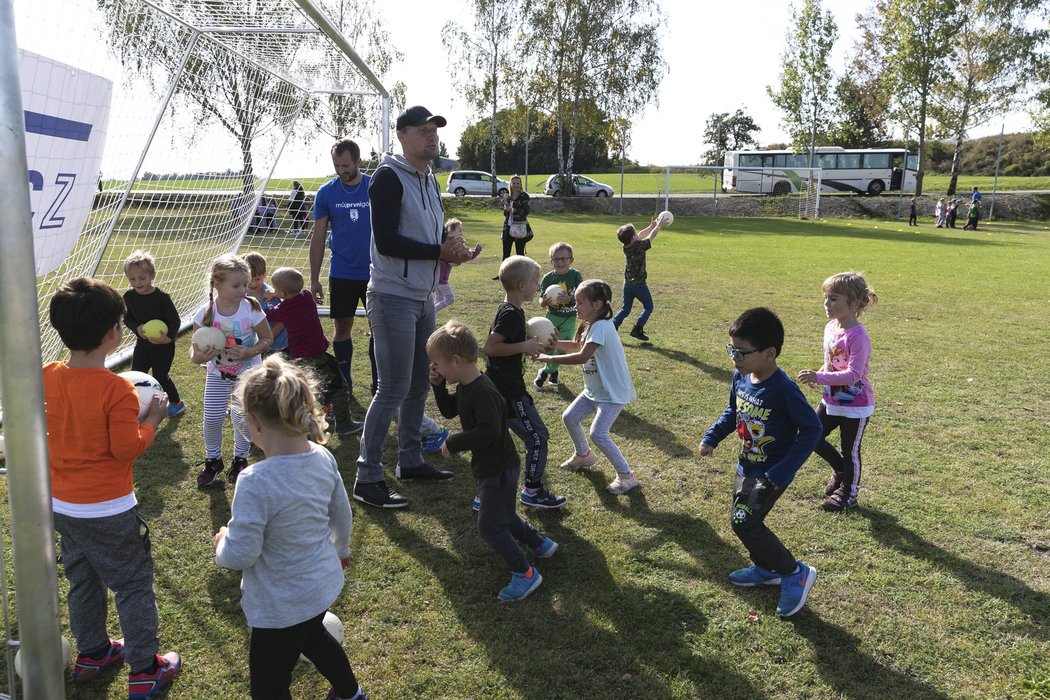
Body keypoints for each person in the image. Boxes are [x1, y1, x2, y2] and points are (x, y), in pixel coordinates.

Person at [43, 277, 182, 698]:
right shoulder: (117, 389)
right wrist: (152, 420)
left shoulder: (48, 375)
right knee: (133, 583)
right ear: (112, 333)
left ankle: (93, 653)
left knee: (83, 579)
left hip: (63, 505)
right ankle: (144, 669)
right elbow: (126, 450)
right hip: (107, 509)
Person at [213, 356, 366, 700]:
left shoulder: (254, 481)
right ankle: (351, 693)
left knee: (268, 688)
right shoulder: (322, 456)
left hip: (278, 607)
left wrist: (222, 542)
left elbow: (241, 552)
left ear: (252, 421)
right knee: (314, 638)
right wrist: (341, 552)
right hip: (320, 586)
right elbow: (341, 513)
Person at [353, 105, 473, 508]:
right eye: (423, 131)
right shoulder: (387, 177)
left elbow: (429, 231)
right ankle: (367, 477)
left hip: (423, 297)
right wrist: (437, 250)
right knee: (392, 389)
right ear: (402, 136)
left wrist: (451, 246)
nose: (431, 137)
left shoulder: (429, 178)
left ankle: (409, 460)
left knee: (421, 382)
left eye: (434, 131)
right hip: (391, 296)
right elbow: (387, 242)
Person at [698, 307, 822, 617]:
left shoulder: (783, 389)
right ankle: (767, 568)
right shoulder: (740, 376)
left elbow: (812, 429)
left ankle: (795, 572)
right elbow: (733, 412)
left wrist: (781, 471)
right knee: (744, 521)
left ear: (769, 353)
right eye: (732, 349)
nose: (734, 358)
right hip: (746, 465)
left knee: (744, 522)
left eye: (741, 352)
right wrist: (713, 436)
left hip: (770, 473)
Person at [428, 320, 558, 601]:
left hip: (498, 467)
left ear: (456, 360)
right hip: (493, 466)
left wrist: (453, 443)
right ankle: (540, 544)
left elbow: (489, 432)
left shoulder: (483, 390)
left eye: (437, 364)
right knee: (504, 514)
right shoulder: (465, 384)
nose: (434, 368)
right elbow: (450, 411)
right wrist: (438, 386)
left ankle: (525, 573)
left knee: (489, 526)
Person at [537, 280, 638, 495]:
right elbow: (577, 346)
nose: (576, 306)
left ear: (598, 305)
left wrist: (547, 356)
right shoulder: (590, 324)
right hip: (594, 390)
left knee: (598, 433)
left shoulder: (602, 325)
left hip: (612, 393)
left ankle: (626, 476)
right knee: (569, 417)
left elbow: (582, 356)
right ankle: (583, 455)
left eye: (581, 302)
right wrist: (553, 344)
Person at [485, 256, 567, 509]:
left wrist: (525, 349)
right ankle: (532, 490)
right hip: (509, 391)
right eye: (535, 283)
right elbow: (491, 347)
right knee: (538, 437)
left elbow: (506, 346)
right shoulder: (510, 314)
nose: (538, 289)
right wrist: (524, 345)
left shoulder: (513, 311)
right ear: (521, 286)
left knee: (498, 443)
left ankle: (484, 495)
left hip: (503, 387)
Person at [190, 255, 274, 487]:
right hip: (218, 374)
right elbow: (193, 352)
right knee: (212, 418)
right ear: (217, 285)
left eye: (245, 285)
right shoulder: (205, 313)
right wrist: (199, 357)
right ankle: (213, 461)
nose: (242, 290)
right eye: (236, 285)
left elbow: (267, 338)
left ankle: (240, 460)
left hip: (248, 376)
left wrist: (250, 352)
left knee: (242, 418)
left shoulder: (251, 308)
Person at [797, 273, 877, 512]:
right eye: (825, 298)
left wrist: (819, 377)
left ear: (852, 303)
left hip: (856, 405)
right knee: (810, 435)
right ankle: (840, 469)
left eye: (833, 299)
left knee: (850, 450)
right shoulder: (831, 327)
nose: (826, 304)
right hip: (830, 400)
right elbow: (832, 362)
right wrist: (821, 372)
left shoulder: (859, 337)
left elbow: (853, 374)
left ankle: (848, 494)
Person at [310, 139, 375, 396]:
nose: (341, 170)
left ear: (358, 161)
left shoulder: (375, 187)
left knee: (378, 328)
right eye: (337, 165)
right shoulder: (326, 193)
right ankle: (345, 381)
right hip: (342, 272)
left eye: (346, 165)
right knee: (342, 326)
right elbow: (317, 237)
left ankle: (378, 383)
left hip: (375, 272)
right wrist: (314, 279)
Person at [265, 266, 363, 437]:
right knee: (338, 386)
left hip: (300, 358)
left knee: (309, 390)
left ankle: (325, 419)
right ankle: (342, 423)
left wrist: (268, 298)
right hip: (318, 354)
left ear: (282, 292)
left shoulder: (282, 310)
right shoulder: (307, 297)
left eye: (275, 289)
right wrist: (278, 294)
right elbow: (292, 295)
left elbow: (268, 316)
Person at [122, 250, 186, 418]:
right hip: (143, 344)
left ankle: (176, 403)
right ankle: (141, 405)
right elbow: (127, 318)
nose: (137, 282)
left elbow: (175, 321)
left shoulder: (162, 298)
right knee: (137, 373)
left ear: (152, 275)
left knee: (160, 375)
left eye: (142, 278)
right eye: (132, 279)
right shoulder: (128, 296)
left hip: (163, 346)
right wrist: (137, 328)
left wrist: (168, 338)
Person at [534, 241, 584, 389]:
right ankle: (554, 372)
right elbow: (541, 297)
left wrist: (570, 299)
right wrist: (542, 303)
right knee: (550, 345)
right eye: (556, 259)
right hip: (552, 317)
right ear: (551, 261)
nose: (560, 262)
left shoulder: (575, 276)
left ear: (571, 260)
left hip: (569, 317)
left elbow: (582, 296)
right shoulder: (548, 278)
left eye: (564, 259)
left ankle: (545, 371)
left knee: (563, 346)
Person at [612, 216, 667, 342]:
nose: (638, 234)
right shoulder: (639, 246)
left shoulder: (626, 246)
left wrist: (651, 226)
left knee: (625, 310)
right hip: (639, 285)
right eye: (635, 234)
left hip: (627, 284)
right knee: (649, 307)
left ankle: (612, 327)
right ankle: (638, 329)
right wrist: (658, 226)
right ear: (632, 238)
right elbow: (650, 237)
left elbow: (640, 235)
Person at [244, 251, 288, 355]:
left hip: (278, 345)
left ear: (264, 275)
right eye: (248, 280)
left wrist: (266, 340)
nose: (253, 284)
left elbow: (282, 321)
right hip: (259, 345)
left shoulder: (270, 296)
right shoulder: (242, 294)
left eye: (257, 279)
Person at [434, 218, 482, 312]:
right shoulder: (452, 244)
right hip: (441, 279)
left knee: (438, 299)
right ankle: (431, 312)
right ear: (451, 230)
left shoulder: (444, 242)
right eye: (459, 231)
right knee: (450, 299)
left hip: (437, 277)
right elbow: (466, 256)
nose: (461, 233)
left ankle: (431, 318)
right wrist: (476, 251)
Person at [498, 175, 533, 271]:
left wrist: (512, 209)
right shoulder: (508, 196)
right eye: (514, 183)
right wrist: (506, 209)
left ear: (520, 184)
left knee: (520, 253)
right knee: (506, 252)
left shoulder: (524, 196)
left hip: (520, 227)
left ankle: (522, 272)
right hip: (508, 227)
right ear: (511, 184)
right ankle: (503, 272)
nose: (516, 185)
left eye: (518, 183)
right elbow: (506, 214)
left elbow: (526, 212)